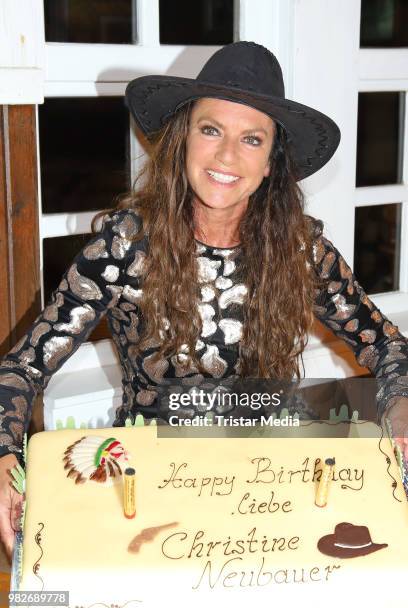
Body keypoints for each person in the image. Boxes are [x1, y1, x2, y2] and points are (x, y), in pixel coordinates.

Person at [0, 40, 407, 560]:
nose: (227, 156)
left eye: (251, 139)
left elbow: (390, 349)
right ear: (182, 140)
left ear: (270, 165)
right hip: (148, 484)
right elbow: (22, 368)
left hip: (274, 483)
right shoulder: (125, 246)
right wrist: (5, 459)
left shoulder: (301, 249)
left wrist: (401, 411)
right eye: (210, 129)